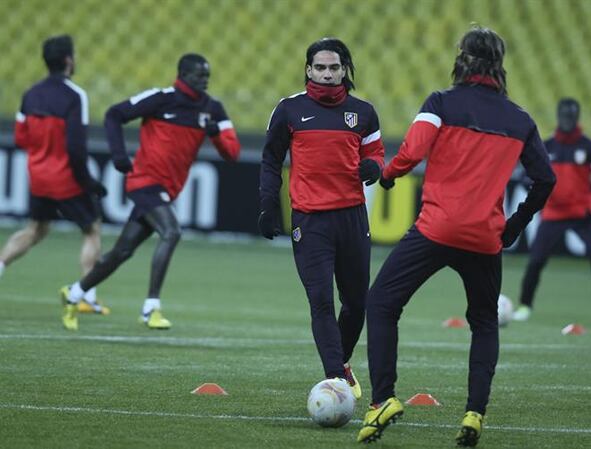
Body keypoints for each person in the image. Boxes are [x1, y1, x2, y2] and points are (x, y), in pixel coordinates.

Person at [356, 27, 555, 446]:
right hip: (485, 237)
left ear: (461, 58)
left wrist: (388, 177)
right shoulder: (521, 120)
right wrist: (514, 225)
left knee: (382, 303)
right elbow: (545, 179)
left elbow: (411, 152)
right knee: (484, 322)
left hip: (437, 228)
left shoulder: (441, 103)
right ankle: (474, 413)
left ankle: (383, 401)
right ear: (500, 64)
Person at [59, 53, 241, 331]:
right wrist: (119, 156)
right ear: (182, 75)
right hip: (144, 182)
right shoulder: (161, 98)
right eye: (198, 76)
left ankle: (73, 294)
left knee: (122, 251)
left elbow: (232, 153)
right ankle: (150, 308)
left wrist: (216, 133)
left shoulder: (212, 109)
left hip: (168, 188)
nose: (204, 81)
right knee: (172, 231)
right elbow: (114, 114)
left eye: (207, 76)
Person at [258, 38, 385, 400]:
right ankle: (336, 380)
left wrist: (373, 168)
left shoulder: (364, 112)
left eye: (334, 67)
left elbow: (376, 153)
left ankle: (340, 362)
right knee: (321, 302)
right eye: (320, 68)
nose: (327, 74)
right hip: (310, 221)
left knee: (358, 303)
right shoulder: (289, 110)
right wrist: (268, 205)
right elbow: (270, 159)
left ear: (344, 69)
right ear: (308, 70)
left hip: (352, 218)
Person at [0, 35, 108, 314]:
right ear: (69, 60)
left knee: (36, 229)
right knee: (92, 229)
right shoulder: (75, 96)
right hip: (66, 178)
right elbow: (75, 146)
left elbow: (21, 138)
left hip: (38, 177)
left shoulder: (30, 94)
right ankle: (86, 295)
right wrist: (88, 182)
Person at [512, 98, 591, 321]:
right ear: (559, 117)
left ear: (576, 117)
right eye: (564, 116)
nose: (567, 121)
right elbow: (532, 175)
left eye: (570, 116)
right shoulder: (547, 146)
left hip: (582, 214)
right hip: (553, 214)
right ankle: (525, 305)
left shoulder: (589, 147)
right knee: (536, 260)